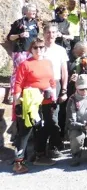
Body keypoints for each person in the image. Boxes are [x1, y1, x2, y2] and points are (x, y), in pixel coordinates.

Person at [11, 38, 56, 173]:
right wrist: (17, 104)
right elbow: (18, 84)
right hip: (30, 103)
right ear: (31, 49)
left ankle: (39, 156)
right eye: (35, 47)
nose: (38, 50)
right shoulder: (25, 64)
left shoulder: (48, 63)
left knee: (42, 130)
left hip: (45, 101)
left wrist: (53, 97)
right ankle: (18, 163)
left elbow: (51, 81)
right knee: (25, 132)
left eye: (41, 47)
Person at [39, 23, 69, 153]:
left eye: (53, 32)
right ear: (44, 33)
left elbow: (64, 71)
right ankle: (39, 147)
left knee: (53, 116)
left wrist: (64, 90)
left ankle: (54, 145)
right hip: (39, 85)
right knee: (40, 116)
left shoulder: (60, 50)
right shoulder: (39, 48)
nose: (50, 35)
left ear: (57, 34)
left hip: (54, 84)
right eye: (48, 32)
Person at [6, 3, 39, 105]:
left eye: (35, 10)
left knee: (30, 72)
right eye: (31, 10)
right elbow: (10, 37)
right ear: (25, 12)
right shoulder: (18, 23)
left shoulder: (35, 23)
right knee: (17, 72)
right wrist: (19, 35)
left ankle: (27, 91)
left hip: (31, 51)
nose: (34, 12)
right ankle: (13, 93)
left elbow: (36, 37)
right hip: (19, 51)